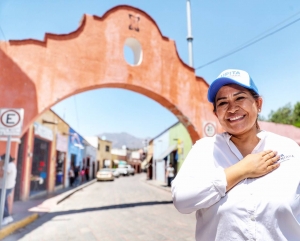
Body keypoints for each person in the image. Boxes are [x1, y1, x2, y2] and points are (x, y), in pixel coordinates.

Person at [172, 69, 300, 240]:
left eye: (240, 98)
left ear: (258, 103)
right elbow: (182, 200)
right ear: (217, 113)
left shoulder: (288, 149)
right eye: (223, 102)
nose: (232, 108)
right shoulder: (204, 150)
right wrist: (241, 170)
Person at [0, 154, 17, 225]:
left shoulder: (10, 165)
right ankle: (6, 216)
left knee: (1, 202)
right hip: (4, 186)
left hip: (7, 187)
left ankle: (7, 217)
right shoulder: (8, 165)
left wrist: (1, 165)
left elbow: (1, 174)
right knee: (3, 201)